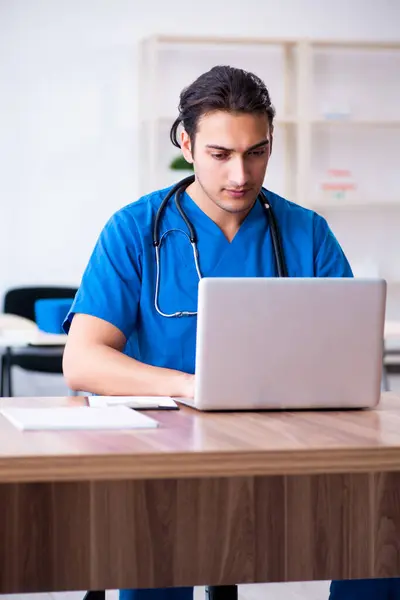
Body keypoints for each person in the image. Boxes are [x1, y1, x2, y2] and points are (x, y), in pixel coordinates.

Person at [62, 65, 396, 600]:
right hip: (162, 460)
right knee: (154, 567)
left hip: (286, 450)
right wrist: (193, 387)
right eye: (220, 154)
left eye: (256, 152)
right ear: (186, 143)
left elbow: (350, 359)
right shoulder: (134, 230)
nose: (240, 174)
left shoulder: (307, 232)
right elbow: (82, 362)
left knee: (381, 537)